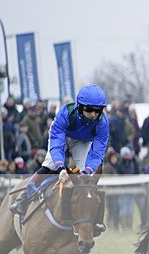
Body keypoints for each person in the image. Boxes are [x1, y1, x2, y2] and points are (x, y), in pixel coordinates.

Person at [9, 84, 109, 234]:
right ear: (80, 106)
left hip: (83, 142)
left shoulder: (102, 122)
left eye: (97, 110)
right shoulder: (66, 113)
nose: (93, 114)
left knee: (88, 178)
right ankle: (24, 198)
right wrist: (61, 167)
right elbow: (56, 143)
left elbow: (97, 152)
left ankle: (95, 220)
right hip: (62, 137)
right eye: (89, 110)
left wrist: (88, 170)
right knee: (50, 165)